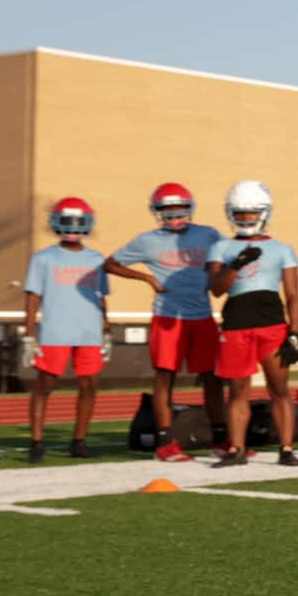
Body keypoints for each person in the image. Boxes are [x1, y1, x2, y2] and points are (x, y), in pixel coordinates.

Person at [107, 184, 225, 461]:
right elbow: (110, 264)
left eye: (178, 207)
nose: (173, 213)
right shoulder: (147, 240)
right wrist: (147, 278)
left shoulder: (208, 234)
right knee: (164, 379)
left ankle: (221, 438)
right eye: (166, 208)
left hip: (202, 315)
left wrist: (216, 274)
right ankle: (165, 442)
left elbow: (226, 258)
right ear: (156, 210)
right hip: (168, 316)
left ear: (190, 207)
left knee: (213, 379)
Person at [204, 181, 298, 468]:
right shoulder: (221, 247)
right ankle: (237, 449)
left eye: (251, 213)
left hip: (272, 324)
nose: (246, 218)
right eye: (240, 213)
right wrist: (235, 265)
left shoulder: (283, 249)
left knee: (280, 389)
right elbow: (217, 289)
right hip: (236, 325)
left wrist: (295, 332)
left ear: (264, 213)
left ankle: (286, 448)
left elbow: (293, 296)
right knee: (237, 391)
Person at [20, 198, 111, 462]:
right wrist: (28, 332)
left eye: (78, 222)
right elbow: (33, 296)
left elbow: (101, 296)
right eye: (67, 221)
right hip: (54, 332)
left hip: (89, 333)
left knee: (89, 386)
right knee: (44, 386)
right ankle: (36, 441)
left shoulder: (96, 259)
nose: (72, 227)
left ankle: (79, 440)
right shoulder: (43, 258)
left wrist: (106, 329)